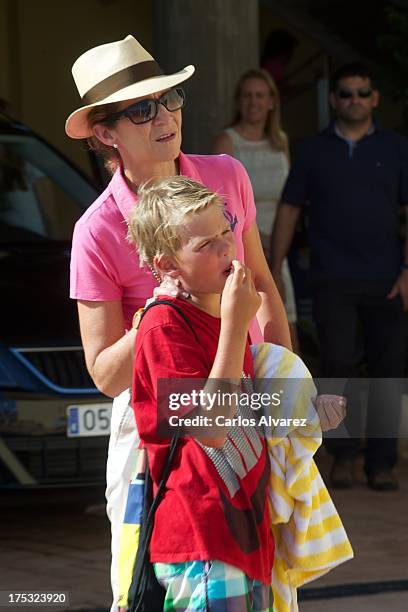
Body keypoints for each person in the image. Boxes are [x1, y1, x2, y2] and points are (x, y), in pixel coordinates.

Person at [65, 34, 291, 611]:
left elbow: (260, 283)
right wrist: (163, 308)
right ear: (104, 133)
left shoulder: (226, 174)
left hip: (245, 403)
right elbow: (105, 376)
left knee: (260, 583)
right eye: (142, 109)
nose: (164, 116)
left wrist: (285, 382)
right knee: (152, 590)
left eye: (170, 98)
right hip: (158, 447)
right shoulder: (95, 231)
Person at [270, 61, 408, 491]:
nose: (354, 100)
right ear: (334, 100)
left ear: (374, 98)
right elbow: (290, 208)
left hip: (388, 279)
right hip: (332, 279)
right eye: (346, 93)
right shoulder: (312, 150)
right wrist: (273, 267)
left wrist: (407, 271)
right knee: (336, 368)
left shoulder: (397, 147)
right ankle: (344, 457)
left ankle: (381, 463)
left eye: (362, 93)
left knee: (388, 370)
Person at [212, 68, 299, 351]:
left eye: (260, 95)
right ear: (238, 101)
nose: (254, 102)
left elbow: (288, 199)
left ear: (272, 101)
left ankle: (291, 391)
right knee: (255, 326)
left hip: (279, 246)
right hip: (247, 243)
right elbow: (220, 207)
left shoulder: (281, 141)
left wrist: (280, 248)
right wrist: (264, 242)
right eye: (247, 96)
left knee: (287, 323)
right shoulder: (227, 141)